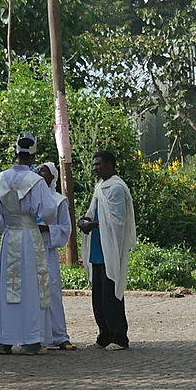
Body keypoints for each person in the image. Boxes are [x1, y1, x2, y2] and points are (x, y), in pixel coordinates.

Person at [0, 133, 61, 355]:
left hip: (10, 236)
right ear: (33, 155)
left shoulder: (0, 179)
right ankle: (31, 340)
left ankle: (3, 340)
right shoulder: (35, 181)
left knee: (8, 287)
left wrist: (4, 226)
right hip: (28, 235)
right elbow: (48, 211)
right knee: (29, 287)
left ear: (15, 153)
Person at [77, 150, 136, 351]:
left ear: (110, 164)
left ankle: (119, 337)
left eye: (99, 164)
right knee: (99, 295)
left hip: (110, 247)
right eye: (94, 164)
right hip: (97, 247)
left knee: (111, 295)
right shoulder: (99, 187)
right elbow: (92, 212)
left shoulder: (117, 188)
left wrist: (93, 225)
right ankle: (104, 335)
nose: (95, 168)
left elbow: (118, 221)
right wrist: (84, 221)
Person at [36, 162, 76, 351]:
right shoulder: (31, 197)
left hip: (47, 248)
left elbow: (65, 228)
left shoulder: (59, 200)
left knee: (51, 290)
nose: (40, 173)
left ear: (53, 175)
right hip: (30, 248)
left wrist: (47, 229)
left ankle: (59, 336)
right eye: (38, 170)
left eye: (44, 170)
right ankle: (37, 336)